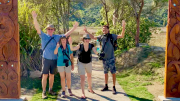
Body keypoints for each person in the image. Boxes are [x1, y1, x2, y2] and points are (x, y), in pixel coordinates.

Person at [32, 11, 79, 99]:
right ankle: (44, 92)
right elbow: (37, 28)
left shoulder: (57, 37)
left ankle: (50, 89)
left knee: (52, 75)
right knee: (45, 75)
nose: (50, 30)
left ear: (53, 30)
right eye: (48, 29)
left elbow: (66, 34)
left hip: (54, 60)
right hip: (46, 59)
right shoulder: (43, 36)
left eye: (51, 29)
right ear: (47, 30)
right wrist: (34, 18)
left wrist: (74, 28)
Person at [84, 20, 126, 94]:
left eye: (105, 29)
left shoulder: (112, 36)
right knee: (105, 72)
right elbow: (94, 37)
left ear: (108, 30)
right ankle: (106, 86)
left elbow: (121, 36)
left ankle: (114, 87)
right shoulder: (101, 36)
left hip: (111, 58)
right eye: (103, 29)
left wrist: (123, 27)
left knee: (113, 73)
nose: (104, 30)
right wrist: (87, 32)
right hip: (104, 59)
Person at [68, 34, 98, 99]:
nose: (87, 40)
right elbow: (72, 49)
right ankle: (83, 93)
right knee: (83, 78)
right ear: (83, 39)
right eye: (85, 39)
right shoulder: (80, 45)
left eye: (88, 39)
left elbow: (96, 52)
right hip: (81, 63)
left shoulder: (91, 45)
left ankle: (90, 88)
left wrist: (99, 50)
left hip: (89, 63)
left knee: (89, 76)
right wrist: (70, 43)